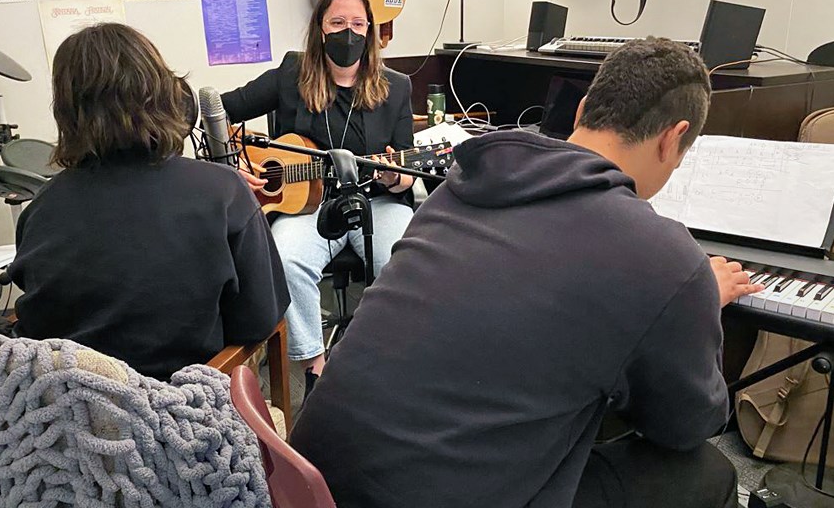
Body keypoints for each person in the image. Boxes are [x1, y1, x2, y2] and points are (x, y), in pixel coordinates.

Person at [290, 38, 762, 508]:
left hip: (312, 479)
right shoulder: (665, 256)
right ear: (672, 138)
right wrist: (696, 300)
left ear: (579, 114)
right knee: (708, 472)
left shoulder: (457, 190)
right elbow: (687, 426)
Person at [8, 23, 289, 382]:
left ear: (67, 110)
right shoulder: (224, 191)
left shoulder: (42, 206)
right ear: (163, 93)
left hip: (72, 416)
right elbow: (261, 319)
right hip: (183, 409)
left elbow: (41, 317)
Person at [221, 0, 414, 390]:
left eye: (358, 23)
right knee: (287, 260)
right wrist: (234, 162)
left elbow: (407, 170)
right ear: (320, 28)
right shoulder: (292, 74)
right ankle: (315, 366)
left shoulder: (396, 87)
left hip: (374, 204)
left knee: (403, 262)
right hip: (305, 208)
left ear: (372, 31)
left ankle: (386, 361)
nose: (349, 32)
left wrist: (395, 176)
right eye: (338, 22)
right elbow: (222, 108)